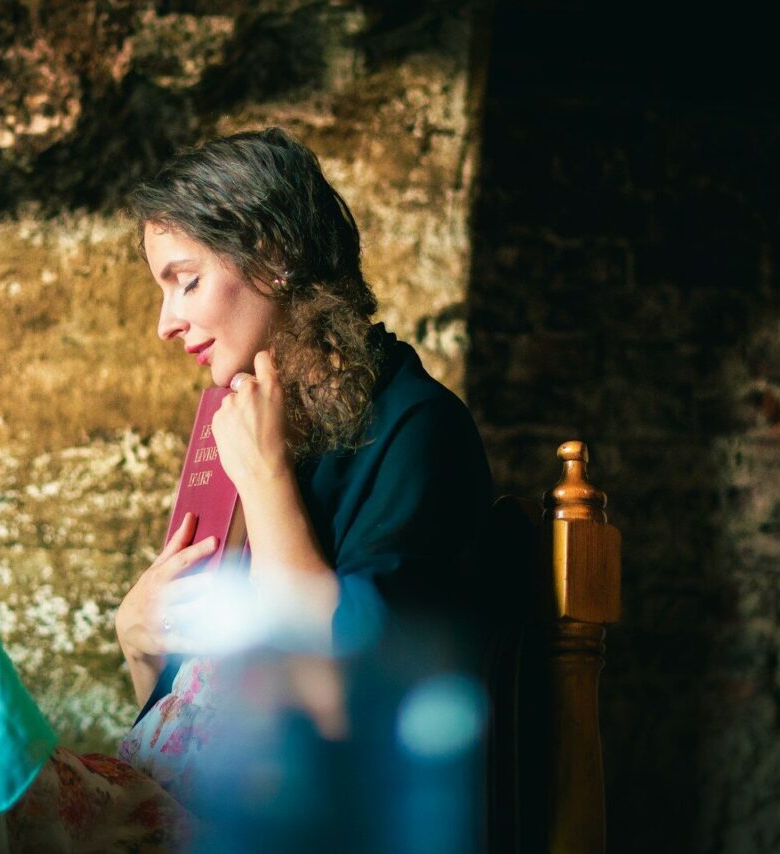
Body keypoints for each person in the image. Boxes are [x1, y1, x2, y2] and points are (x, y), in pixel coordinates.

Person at [112, 127, 494, 804]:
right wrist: (143, 649)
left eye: (186, 282)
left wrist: (265, 482)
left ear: (276, 256)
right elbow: (192, 727)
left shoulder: (420, 430)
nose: (165, 324)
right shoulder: (253, 426)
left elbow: (342, 688)